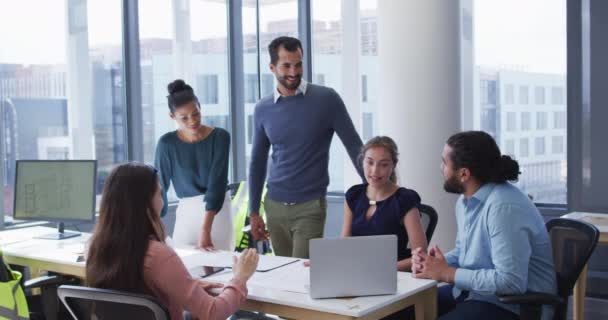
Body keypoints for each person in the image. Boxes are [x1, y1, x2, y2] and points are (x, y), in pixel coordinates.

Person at [412, 131, 557, 320]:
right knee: (406, 311)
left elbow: (511, 282)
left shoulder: (503, 207)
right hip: (475, 295)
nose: (441, 168)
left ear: (464, 173)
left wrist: (448, 273)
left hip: (514, 306)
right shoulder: (465, 202)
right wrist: (431, 264)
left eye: (444, 162)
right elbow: (465, 251)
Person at [86, 162, 259, 320]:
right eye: (159, 193)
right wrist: (240, 277)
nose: (162, 201)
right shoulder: (158, 255)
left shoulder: (95, 247)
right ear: (146, 204)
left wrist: (186, 285)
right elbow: (213, 313)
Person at [248, 36, 364, 258]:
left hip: (310, 206)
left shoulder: (326, 99)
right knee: (282, 275)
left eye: (298, 64)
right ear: (272, 68)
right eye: (286, 65)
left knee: (302, 275)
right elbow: (257, 162)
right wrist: (254, 211)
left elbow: (354, 146)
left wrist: (375, 190)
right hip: (274, 205)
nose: (294, 71)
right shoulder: (263, 108)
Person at [155, 79, 232, 250]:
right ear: (172, 116)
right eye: (184, 117)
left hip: (216, 214)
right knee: (183, 269)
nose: (192, 121)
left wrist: (205, 229)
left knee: (220, 270)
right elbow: (159, 187)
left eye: (196, 113)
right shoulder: (166, 144)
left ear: (199, 107)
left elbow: (217, 186)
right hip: (186, 215)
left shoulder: (220, 137)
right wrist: (156, 225)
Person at [342, 136, 427, 271]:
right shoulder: (354, 195)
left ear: (393, 165)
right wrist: (330, 262)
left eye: (384, 164)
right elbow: (344, 247)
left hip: (392, 276)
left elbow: (421, 256)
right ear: (362, 161)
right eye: (370, 162)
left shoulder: (404, 199)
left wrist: (383, 269)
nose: (375, 171)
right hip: (356, 272)